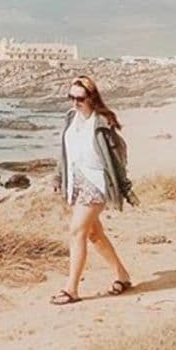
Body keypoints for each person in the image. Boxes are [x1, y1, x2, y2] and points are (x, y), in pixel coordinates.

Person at [50, 74, 136, 305]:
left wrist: (124, 187)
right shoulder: (70, 118)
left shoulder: (102, 123)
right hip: (75, 181)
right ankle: (122, 275)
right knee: (94, 234)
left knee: (76, 230)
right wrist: (59, 176)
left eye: (79, 98)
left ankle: (71, 289)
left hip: (97, 182)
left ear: (91, 97)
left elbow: (119, 157)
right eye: (71, 97)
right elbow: (64, 152)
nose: (74, 103)